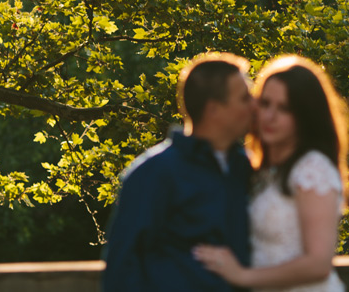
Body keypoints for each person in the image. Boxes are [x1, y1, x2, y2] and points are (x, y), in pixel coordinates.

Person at [193, 55, 349, 292]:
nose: (270, 117)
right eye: (265, 104)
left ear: (304, 117)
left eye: (284, 109)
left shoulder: (312, 168)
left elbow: (318, 263)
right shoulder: (261, 169)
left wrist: (243, 276)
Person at [102, 52, 255, 292]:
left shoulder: (249, 168)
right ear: (214, 109)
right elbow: (122, 269)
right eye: (245, 98)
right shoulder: (153, 173)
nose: (254, 105)